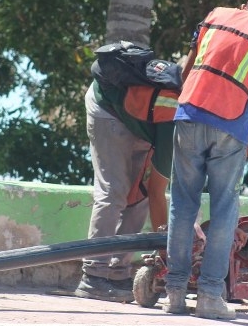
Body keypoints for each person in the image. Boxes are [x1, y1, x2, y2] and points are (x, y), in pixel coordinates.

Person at [163, 0, 248, 320]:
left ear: (245, 5)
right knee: (223, 210)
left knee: (182, 204)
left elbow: (188, 68)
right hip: (231, 125)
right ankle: (209, 296)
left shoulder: (214, 17)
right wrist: (244, 123)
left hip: (189, 114)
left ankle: (175, 294)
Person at [76, 54, 179, 302]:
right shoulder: (176, 123)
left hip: (138, 118)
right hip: (107, 106)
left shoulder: (192, 127)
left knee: (139, 194)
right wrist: (167, 256)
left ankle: (117, 273)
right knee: (114, 191)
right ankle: (93, 276)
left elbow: (151, 192)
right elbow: (158, 194)